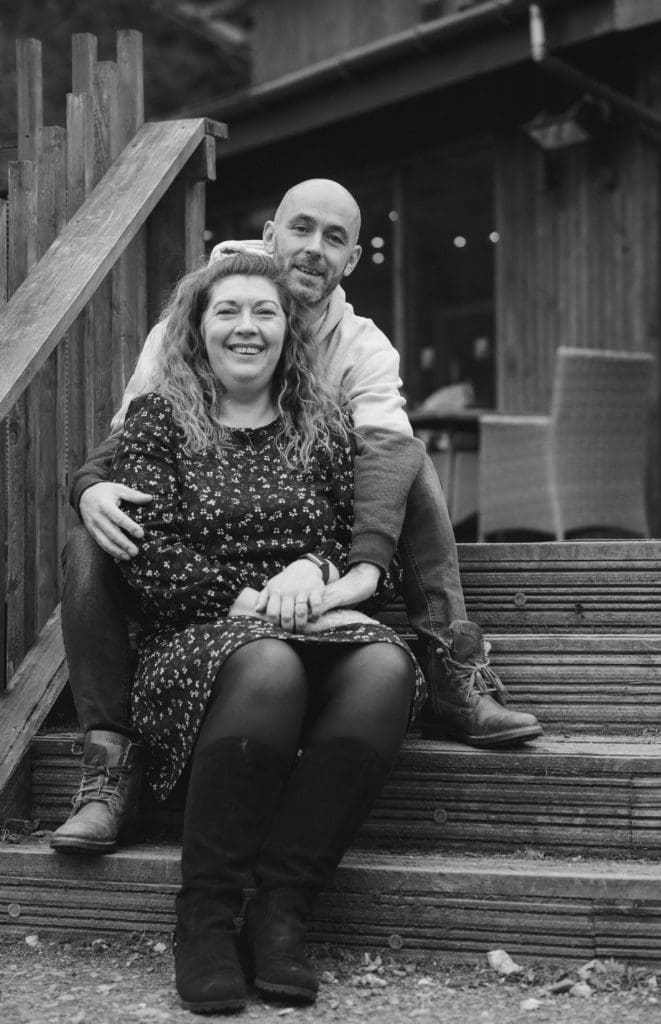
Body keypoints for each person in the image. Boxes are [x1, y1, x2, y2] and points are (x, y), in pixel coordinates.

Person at [51, 178, 541, 856]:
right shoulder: (195, 318)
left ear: (352, 259)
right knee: (90, 531)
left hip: (310, 545)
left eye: (333, 238)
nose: (313, 249)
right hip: (197, 558)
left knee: (408, 459)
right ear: (271, 233)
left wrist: (358, 567)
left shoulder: (361, 344)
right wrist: (86, 487)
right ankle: (109, 759)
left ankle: (447, 666)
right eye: (301, 229)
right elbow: (134, 435)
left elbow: (383, 453)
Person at [109, 251, 422, 1012]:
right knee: (269, 664)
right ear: (197, 328)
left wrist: (314, 568)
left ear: (288, 330)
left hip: (305, 622)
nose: (246, 327)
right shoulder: (158, 420)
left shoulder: (319, 421)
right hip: (196, 637)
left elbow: (358, 540)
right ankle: (207, 918)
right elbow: (146, 554)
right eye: (227, 311)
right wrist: (252, 599)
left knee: (385, 667)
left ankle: (281, 909)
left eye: (264, 312)